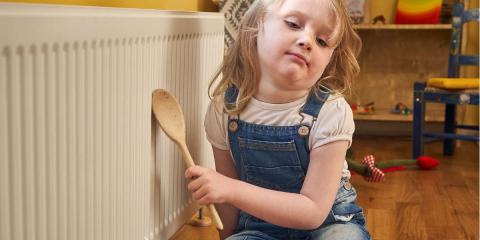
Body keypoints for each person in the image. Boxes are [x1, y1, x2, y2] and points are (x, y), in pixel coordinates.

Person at [185, 0, 370, 239]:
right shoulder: (225, 109)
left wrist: (229, 189)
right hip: (258, 228)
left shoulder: (331, 112)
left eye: (322, 41)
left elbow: (313, 211)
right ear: (255, 27)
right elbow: (228, 209)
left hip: (329, 224)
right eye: (293, 24)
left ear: (329, 61)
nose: (307, 41)